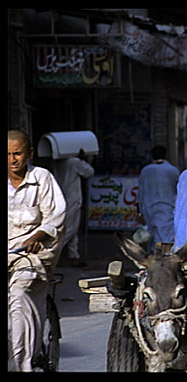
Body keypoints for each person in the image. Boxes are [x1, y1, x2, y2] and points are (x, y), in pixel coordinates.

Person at [8, 129, 67, 371]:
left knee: (20, 296)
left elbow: (56, 216)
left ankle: (22, 364)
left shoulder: (42, 178)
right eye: (8, 154)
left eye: (18, 154)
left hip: (33, 254)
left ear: (30, 154)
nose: (12, 159)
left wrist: (38, 236)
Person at [52, 148, 94, 266]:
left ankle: (73, 255)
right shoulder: (73, 162)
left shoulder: (58, 161)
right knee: (70, 229)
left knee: (71, 226)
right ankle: (53, 253)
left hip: (61, 197)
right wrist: (83, 160)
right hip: (72, 198)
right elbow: (89, 172)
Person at [137, 145, 180, 251]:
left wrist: (139, 213)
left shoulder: (145, 171)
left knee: (152, 239)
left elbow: (140, 194)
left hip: (149, 211)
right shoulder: (172, 170)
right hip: (168, 211)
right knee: (167, 241)